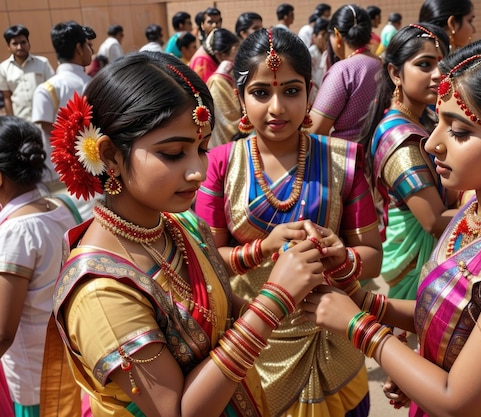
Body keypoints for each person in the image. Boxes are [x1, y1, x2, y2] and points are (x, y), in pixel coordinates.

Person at [299, 37, 481, 416]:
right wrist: (361, 300)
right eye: (439, 122)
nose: (432, 143)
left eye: (460, 131)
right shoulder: (476, 208)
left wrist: (359, 327)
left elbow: (457, 401)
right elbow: (450, 314)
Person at [45, 50, 326, 417]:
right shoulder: (100, 292)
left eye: (202, 148)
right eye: (175, 153)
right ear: (111, 155)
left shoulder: (179, 225)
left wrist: (300, 286)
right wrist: (273, 300)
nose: (197, 170)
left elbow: (223, 315)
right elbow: (176, 411)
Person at [194, 27, 382, 417]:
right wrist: (262, 248)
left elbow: (372, 257)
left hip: (332, 343)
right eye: (261, 92)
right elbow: (207, 260)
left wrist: (339, 257)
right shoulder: (220, 164)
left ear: (311, 92)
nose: (277, 107)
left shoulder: (343, 160)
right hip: (255, 349)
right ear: (240, 97)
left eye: (291, 91)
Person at [360, 23, 457, 301]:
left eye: (442, 64)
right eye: (424, 64)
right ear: (395, 73)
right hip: (414, 266)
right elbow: (434, 221)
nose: (439, 75)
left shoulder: (420, 120)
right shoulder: (400, 139)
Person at [0, 116, 79, 417]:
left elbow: (3, 333)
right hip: (66, 367)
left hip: (35, 383)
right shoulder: (62, 207)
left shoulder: (16, 232)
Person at [31, 21, 95, 195]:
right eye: (89, 46)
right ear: (79, 48)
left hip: (57, 176)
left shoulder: (46, 89)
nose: (92, 51)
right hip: (93, 172)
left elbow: (46, 131)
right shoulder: (96, 86)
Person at [309, 4, 379, 144]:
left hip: (347, 157)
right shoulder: (383, 65)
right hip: (378, 151)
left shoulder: (343, 70)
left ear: (337, 35)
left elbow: (314, 130)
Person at [0, 25, 54, 121]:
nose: (20, 47)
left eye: (23, 42)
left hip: (45, 118)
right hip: (22, 121)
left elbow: (53, 90)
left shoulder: (43, 63)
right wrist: (12, 121)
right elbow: (7, 98)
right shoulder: (3, 68)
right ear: (8, 47)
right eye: (15, 44)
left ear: (29, 43)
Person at [205, 28, 240, 148]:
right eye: (236, 50)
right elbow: (228, 122)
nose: (239, 55)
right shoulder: (217, 82)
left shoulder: (230, 76)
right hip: (225, 147)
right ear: (221, 56)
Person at [308, 17, 329, 105]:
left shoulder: (328, 54)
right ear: (314, 37)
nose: (326, 39)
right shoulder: (311, 54)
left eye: (328, 35)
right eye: (323, 35)